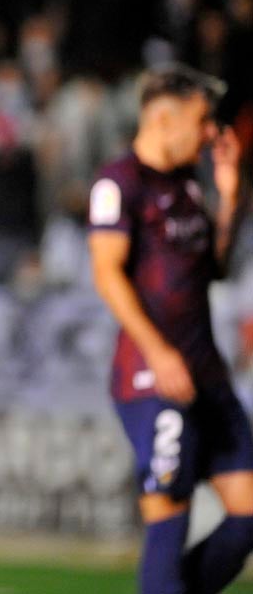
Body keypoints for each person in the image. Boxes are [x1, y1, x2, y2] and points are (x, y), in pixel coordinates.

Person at [88, 65, 253, 594]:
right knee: (169, 516)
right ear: (164, 117)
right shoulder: (120, 182)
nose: (211, 133)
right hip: (151, 379)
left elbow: (215, 268)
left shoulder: (188, 185)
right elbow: (106, 273)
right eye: (203, 120)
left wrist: (230, 200)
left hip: (205, 373)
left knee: (247, 514)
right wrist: (158, 354)